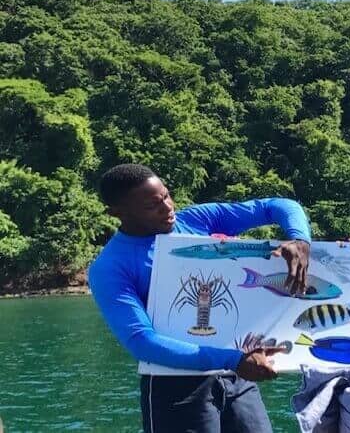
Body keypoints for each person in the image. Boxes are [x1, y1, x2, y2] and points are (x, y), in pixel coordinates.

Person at [88, 163, 312, 433]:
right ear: (117, 213)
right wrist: (234, 360)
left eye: (167, 196)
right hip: (176, 384)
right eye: (152, 205)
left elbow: (279, 205)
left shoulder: (198, 220)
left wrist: (300, 239)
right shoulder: (111, 266)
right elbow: (141, 342)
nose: (167, 207)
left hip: (237, 375)